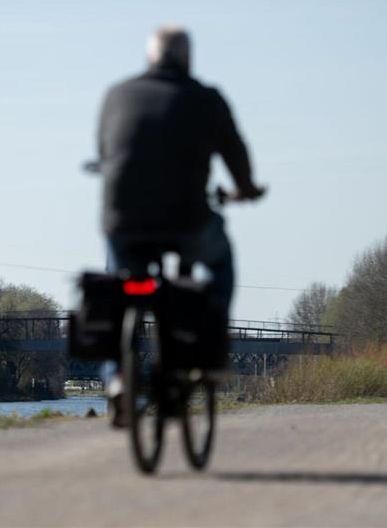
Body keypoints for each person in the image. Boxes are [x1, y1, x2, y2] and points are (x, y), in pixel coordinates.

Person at [97, 27, 266, 425]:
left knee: (116, 288)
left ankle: (117, 377)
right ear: (187, 59)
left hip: (124, 222)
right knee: (221, 262)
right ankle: (210, 354)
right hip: (187, 221)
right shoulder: (207, 99)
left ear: (149, 58)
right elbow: (236, 156)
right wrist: (246, 190)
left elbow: (106, 150)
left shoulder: (117, 95)